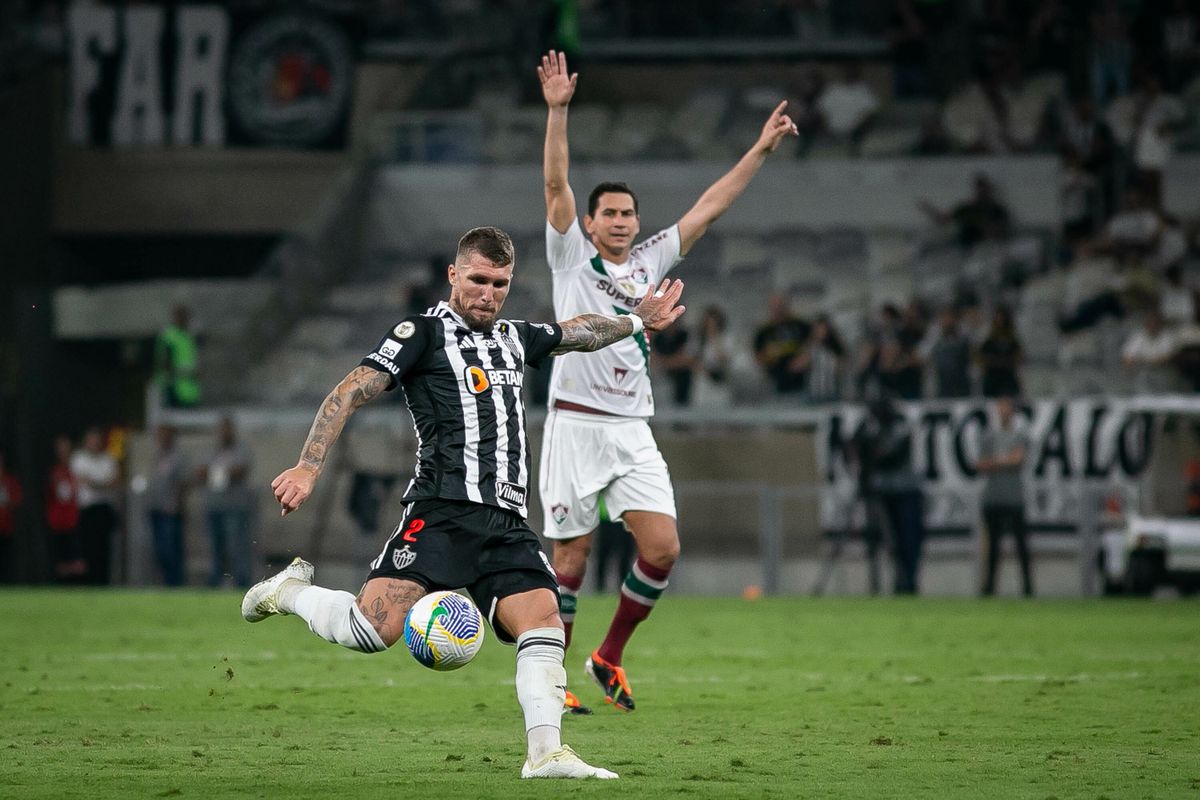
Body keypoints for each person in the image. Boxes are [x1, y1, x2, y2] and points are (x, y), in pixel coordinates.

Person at [242, 226, 686, 779]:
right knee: (370, 631)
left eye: (499, 283)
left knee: (544, 623)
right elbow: (349, 390)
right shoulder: (421, 334)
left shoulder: (514, 337)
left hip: (506, 524)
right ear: (454, 275)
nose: (488, 293)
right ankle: (289, 592)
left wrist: (636, 319)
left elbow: (578, 332)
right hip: (442, 514)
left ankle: (545, 753)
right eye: (477, 279)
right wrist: (308, 466)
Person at [537, 49, 796, 713]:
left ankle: (610, 654)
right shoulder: (570, 256)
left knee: (662, 547)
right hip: (574, 421)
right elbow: (555, 186)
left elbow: (711, 205)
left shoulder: (651, 258)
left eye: (628, 213)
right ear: (590, 223)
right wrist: (558, 113)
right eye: (610, 214)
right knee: (569, 561)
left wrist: (761, 150)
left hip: (632, 428)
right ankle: (554, 683)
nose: (621, 221)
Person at [858, 397, 925, 595]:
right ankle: (897, 581)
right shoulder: (872, 427)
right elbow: (862, 448)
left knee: (909, 539)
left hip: (906, 491)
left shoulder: (900, 426)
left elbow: (893, 457)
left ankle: (909, 581)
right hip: (884, 492)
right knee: (890, 541)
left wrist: (875, 454)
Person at [977, 396, 1033, 597]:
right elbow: (980, 464)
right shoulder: (988, 435)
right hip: (992, 498)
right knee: (992, 547)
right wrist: (1006, 461)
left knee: (1021, 546)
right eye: (1000, 405)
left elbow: (1018, 460)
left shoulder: (1020, 434)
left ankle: (1027, 588)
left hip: (1014, 498)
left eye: (1006, 406)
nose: (1003, 410)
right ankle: (990, 588)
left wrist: (996, 462)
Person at [200, 416, 255, 588]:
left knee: (237, 547)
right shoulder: (213, 451)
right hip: (214, 506)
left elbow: (240, 471)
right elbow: (200, 472)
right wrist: (222, 472)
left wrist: (216, 472)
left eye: (227, 429)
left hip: (235, 507)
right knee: (216, 548)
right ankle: (216, 582)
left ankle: (241, 583)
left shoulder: (240, 450)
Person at [71, 427, 119, 585]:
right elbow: (84, 481)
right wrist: (101, 484)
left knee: (104, 549)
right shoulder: (79, 459)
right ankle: (88, 582)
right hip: (88, 510)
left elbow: (113, 481)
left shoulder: (108, 459)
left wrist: (96, 483)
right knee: (88, 548)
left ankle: (103, 582)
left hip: (104, 509)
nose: (95, 443)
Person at [145, 424, 189, 586]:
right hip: (155, 509)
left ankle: (174, 583)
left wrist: (178, 504)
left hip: (170, 510)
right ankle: (163, 582)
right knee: (159, 550)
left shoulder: (178, 457)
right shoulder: (157, 456)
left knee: (171, 550)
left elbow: (183, 483)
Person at [754, 294, 811, 395]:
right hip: (776, 383)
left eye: (780, 306)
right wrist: (770, 356)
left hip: (803, 380)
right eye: (775, 307)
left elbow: (815, 344)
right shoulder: (763, 332)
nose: (778, 310)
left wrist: (805, 357)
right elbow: (758, 357)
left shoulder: (800, 325)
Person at [47, 434, 85, 582]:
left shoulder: (76, 470)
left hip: (74, 519)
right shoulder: (54, 472)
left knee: (77, 560)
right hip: (58, 520)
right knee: (60, 560)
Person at [154, 304, 201, 408]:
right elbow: (164, 362)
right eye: (181, 316)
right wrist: (180, 373)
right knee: (172, 421)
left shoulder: (189, 336)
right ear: (175, 317)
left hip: (190, 390)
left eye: (186, 316)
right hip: (173, 388)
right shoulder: (169, 335)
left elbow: (192, 360)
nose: (184, 319)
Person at [0, 448, 23, 583]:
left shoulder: (9, 480)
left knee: (6, 560)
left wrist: (7, 503)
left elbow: (17, 500)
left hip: (6, 528)